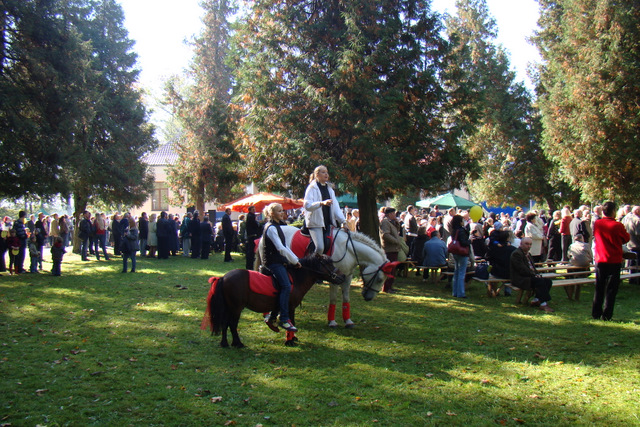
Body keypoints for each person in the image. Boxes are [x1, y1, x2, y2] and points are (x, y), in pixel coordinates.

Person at [260, 202, 301, 332]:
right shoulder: (271, 228)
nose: (282, 213)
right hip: (273, 263)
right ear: (272, 213)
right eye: (279, 211)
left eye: (282, 210)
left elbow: (285, 246)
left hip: (278, 261)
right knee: (286, 286)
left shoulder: (277, 226)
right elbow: (280, 248)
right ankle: (283, 318)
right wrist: (294, 261)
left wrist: (296, 259)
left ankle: (273, 317)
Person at [592, 201, 630, 321]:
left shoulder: (598, 223)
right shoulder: (617, 225)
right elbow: (626, 238)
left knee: (599, 286)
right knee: (611, 289)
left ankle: (596, 312)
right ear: (613, 211)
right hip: (614, 259)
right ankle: (607, 314)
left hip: (601, 258)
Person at [303, 165, 346, 255]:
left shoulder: (329, 189)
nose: (326, 174)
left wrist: (343, 221)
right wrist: (321, 203)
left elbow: (336, 207)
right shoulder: (311, 188)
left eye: (327, 172)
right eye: (323, 172)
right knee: (320, 248)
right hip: (315, 223)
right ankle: (312, 262)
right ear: (317, 175)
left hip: (328, 223)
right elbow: (307, 205)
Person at [510, 237, 555, 312]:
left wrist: (537, 274)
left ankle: (536, 300)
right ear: (521, 244)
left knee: (548, 281)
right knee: (540, 282)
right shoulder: (516, 254)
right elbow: (521, 269)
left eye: (530, 244)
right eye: (526, 244)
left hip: (529, 276)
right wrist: (534, 275)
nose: (529, 246)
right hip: (520, 278)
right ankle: (543, 304)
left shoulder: (528, 254)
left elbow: (533, 268)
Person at [379, 207, 403, 293]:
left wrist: (397, 223)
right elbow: (385, 235)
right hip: (389, 248)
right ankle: (386, 287)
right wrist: (395, 241)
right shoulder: (385, 222)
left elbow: (397, 231)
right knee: (389, 269)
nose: (395, 215)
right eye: (393, 213)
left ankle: (390, 286)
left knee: (393, 269)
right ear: (389, 214)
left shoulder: (391, 222)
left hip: (394, 248)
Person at [486, 230, 516, 296]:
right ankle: (507, 291)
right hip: (509, 273)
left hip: (496, 272)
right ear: (507, 238)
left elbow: (488, 258)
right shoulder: (513, 249)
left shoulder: (494, 248)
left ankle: (493, 290)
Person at [449, 214, 470, 298]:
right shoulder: (461, 230)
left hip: (455, 252)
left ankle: (455, 291)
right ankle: (461, 293)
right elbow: (463, 242)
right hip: (462, 252)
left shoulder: (454, 230)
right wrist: (469, 241)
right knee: (461, 273)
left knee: (457, 272)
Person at [245, 206, 259, 270]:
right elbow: (255, 225)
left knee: (250, 250)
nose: (254, 210)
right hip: (252, 235)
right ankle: (250, 265)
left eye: (254, 209)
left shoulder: (250, 216)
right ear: (250, 210)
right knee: (251, 251)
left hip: (251, 235)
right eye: (253, 209)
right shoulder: (251, 216)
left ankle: (249, 264)